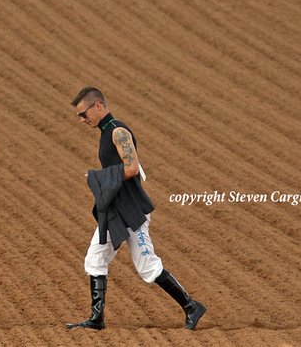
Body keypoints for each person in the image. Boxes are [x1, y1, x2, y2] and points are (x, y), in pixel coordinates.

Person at [65, 87, 206, 331]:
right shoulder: (105, 133)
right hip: (116, 211)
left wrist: (98, 177)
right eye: (79, 116)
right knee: (95, 257)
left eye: (83, 113)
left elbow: (131, 168)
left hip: (132, 212)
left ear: (98, 106)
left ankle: (192, 306)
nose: (81, 119)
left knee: (147, 266)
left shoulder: (118, 132)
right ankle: (96, 319)